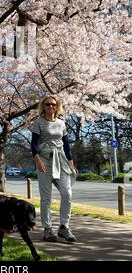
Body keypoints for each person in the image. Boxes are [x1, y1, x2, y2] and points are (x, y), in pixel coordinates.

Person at [31, 95, 77, 243]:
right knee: (46, 198)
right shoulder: (39, 122)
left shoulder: (61, 124)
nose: (51, 107)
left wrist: (71, 162)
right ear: (43, 107)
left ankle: (64, 226)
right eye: (47, 104)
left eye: (53, 104)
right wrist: (37, 160)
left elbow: (67, 145)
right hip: (45, 160)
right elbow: (33, 144)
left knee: (67, 192)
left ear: (57, 107)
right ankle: (47, 228)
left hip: (61, 160)